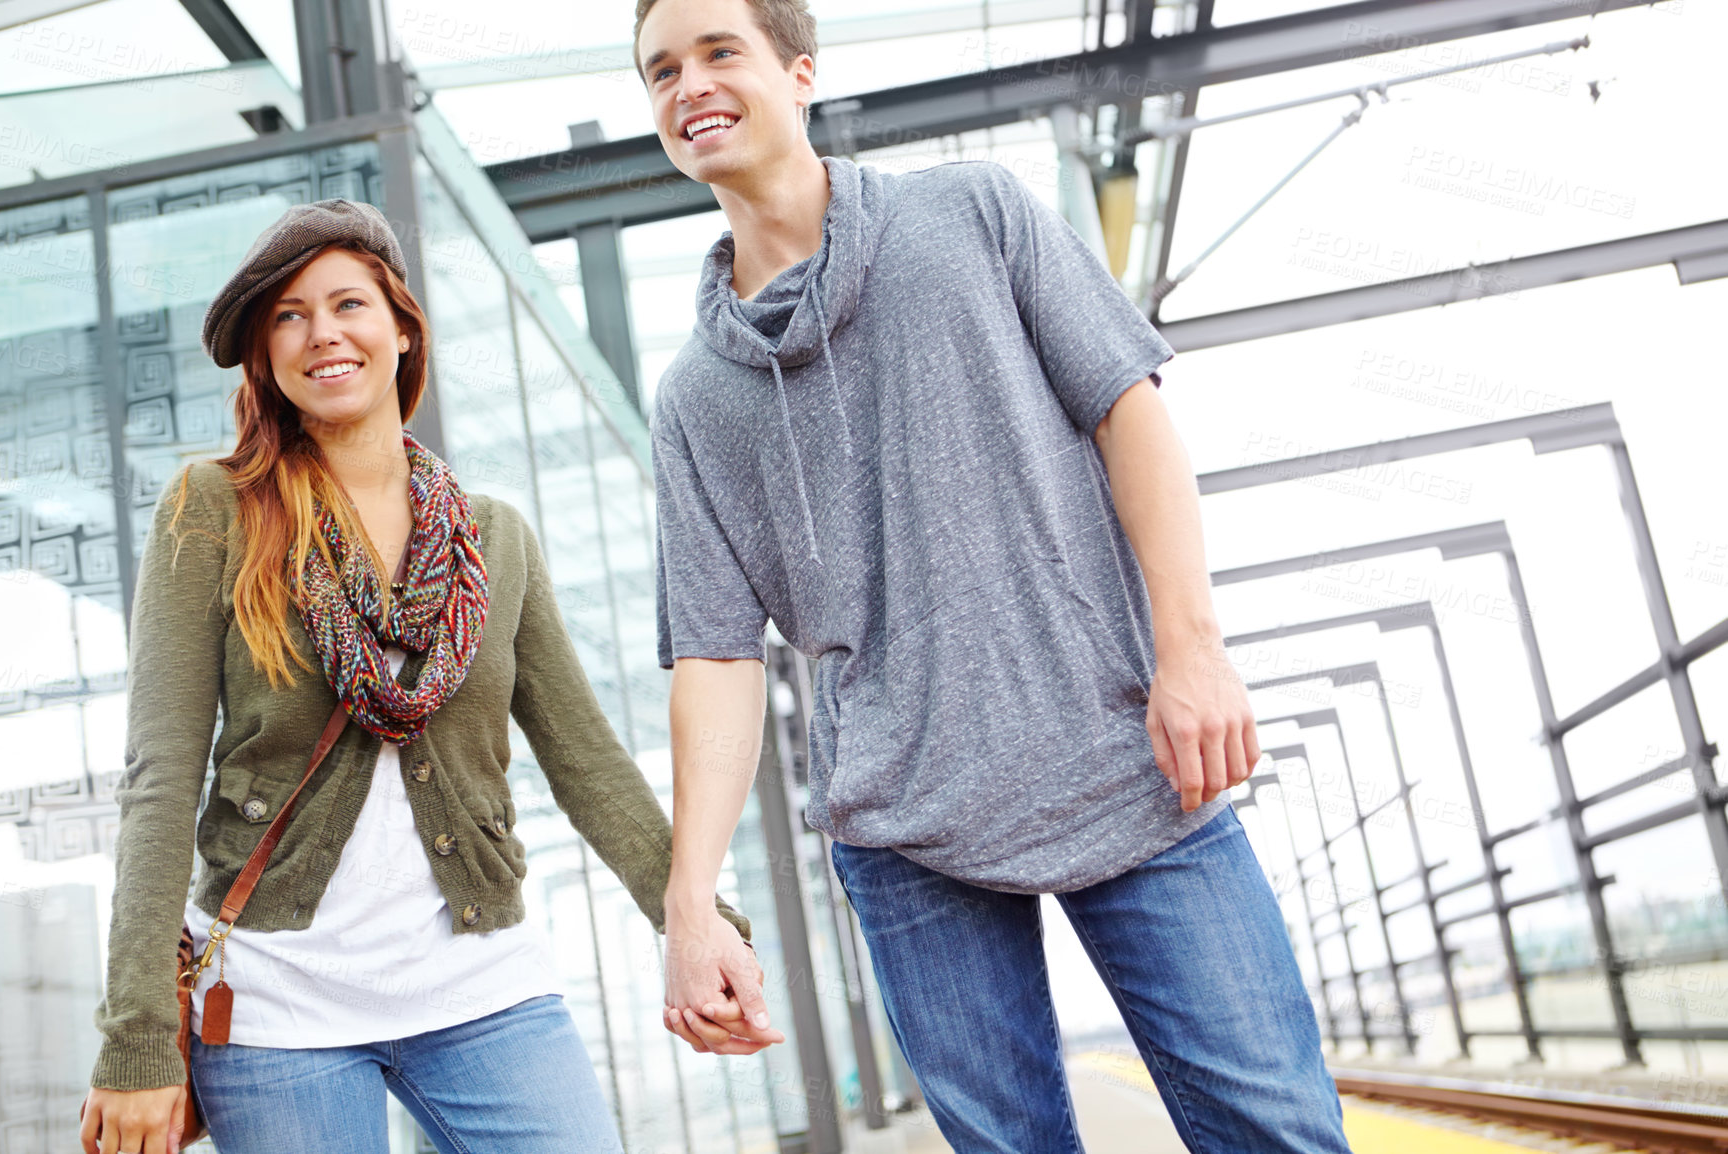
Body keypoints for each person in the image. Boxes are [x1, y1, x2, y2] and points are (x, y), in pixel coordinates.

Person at [633, 1, 1354, 1150]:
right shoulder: (693, 400)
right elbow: (716, 655)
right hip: (907, 830)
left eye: (719, 52)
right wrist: (690, 903)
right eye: (660, 71)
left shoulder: (970, 212)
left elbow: (1130, 408)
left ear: (800, 71)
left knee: (1273, 1130)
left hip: (1126, 755)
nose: (688, 86)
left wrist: (1192, 647)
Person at [79, 198, 773, 1154]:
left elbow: (589, 767)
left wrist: (703, 923)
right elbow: (158, 781)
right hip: (280, 1008)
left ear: (402, 329)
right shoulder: (213, 513)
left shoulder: (493, 539)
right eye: (288, 315)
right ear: (266, 356)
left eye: (348, 304)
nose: (322, 332)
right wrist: (138, 1039)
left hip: (485, 989)